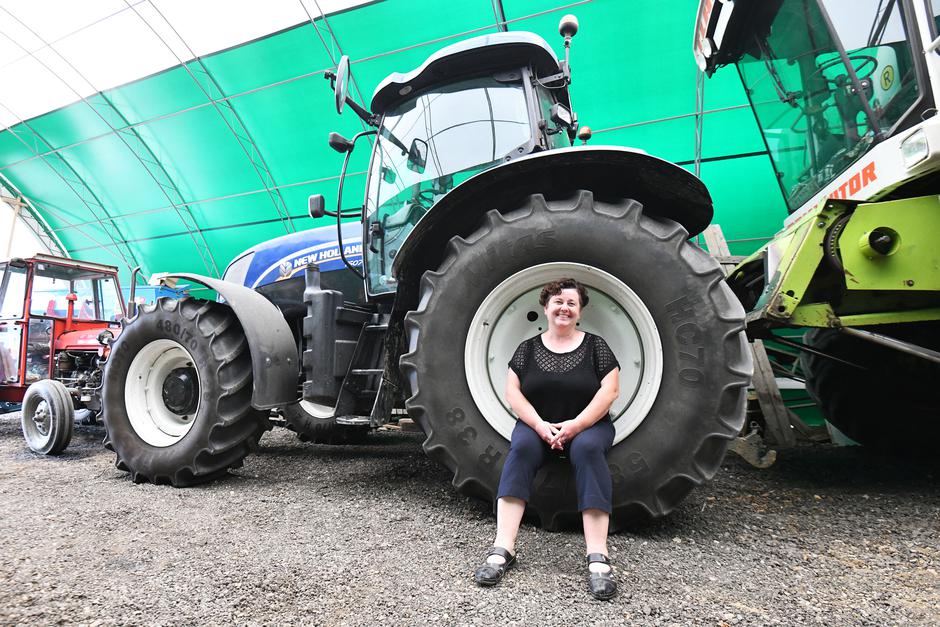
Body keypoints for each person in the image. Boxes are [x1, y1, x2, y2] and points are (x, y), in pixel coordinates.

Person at [473, 277, 621, 600]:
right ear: (545, 307)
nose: (564, 308)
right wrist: (541, 426)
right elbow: (513, 393)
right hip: (537, 425)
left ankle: (598, 557)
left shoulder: (597, 347)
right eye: (558, 302)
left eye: (571, 303)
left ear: (579, 311)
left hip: (589, 426)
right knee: (523, 447)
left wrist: (576, 426)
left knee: (587, 449)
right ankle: (503, 549)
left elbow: (610, 392)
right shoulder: (526, 349)